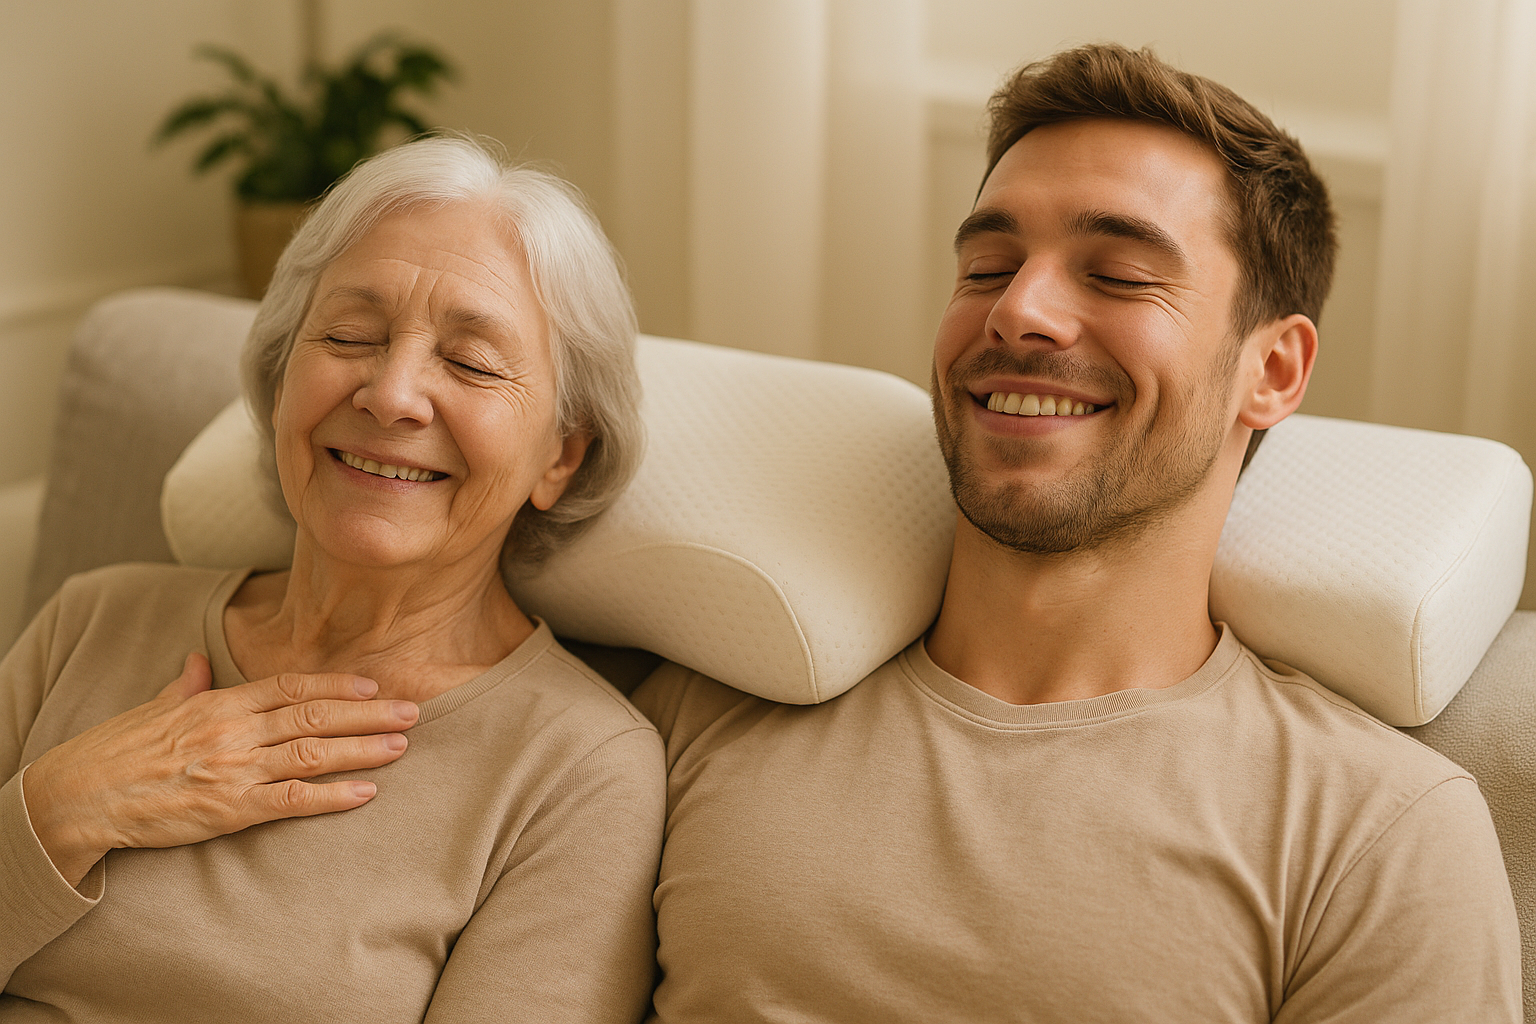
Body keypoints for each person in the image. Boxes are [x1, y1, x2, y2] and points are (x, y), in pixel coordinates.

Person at [632, 44, 1522, 1021]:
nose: (1019, 310)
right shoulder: (698, 716)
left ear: (1272, 371)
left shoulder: (1378, 832)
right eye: (987, 266)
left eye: (1120, 275)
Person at [0, 135, 664, 1023]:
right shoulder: (93, 618)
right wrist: (55, 813)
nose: (391, 394)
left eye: (469, 362)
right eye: (351, 335)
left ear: (561, 456)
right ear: (282, 383)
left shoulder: (579, 770)